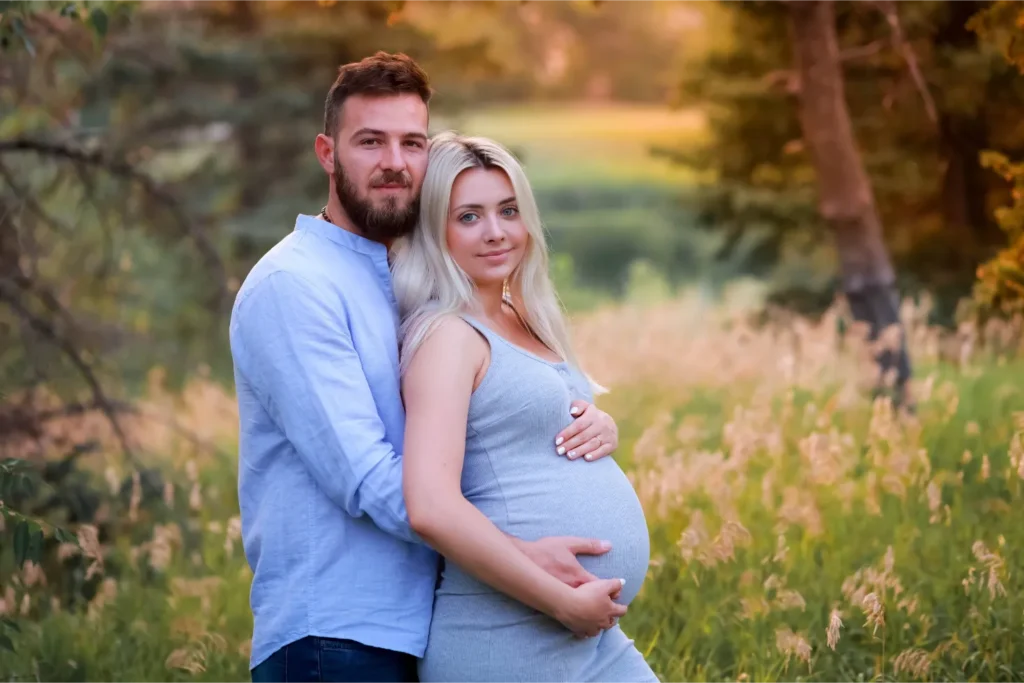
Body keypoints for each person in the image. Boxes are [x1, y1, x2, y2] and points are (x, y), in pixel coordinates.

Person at [229, 52, 623, 683]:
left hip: (428, 624)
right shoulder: (294, 284)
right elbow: (366, 477)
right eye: (370, 142)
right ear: (327, 153)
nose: (394, 163)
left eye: (412, 142)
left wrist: (582, 425)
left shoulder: (410, 279)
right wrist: (521, 558)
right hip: (336, 634)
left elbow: (477, 423)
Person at [392, 131, 657, 682]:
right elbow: (431, 506)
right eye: (468, 217)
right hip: (506, 640)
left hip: (587, 639)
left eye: (508, 210)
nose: (495, 233)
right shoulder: (447, 335)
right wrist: (560, 602)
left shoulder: (521, 315)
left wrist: (598, 424)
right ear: (434, 229)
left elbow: (528, 426)